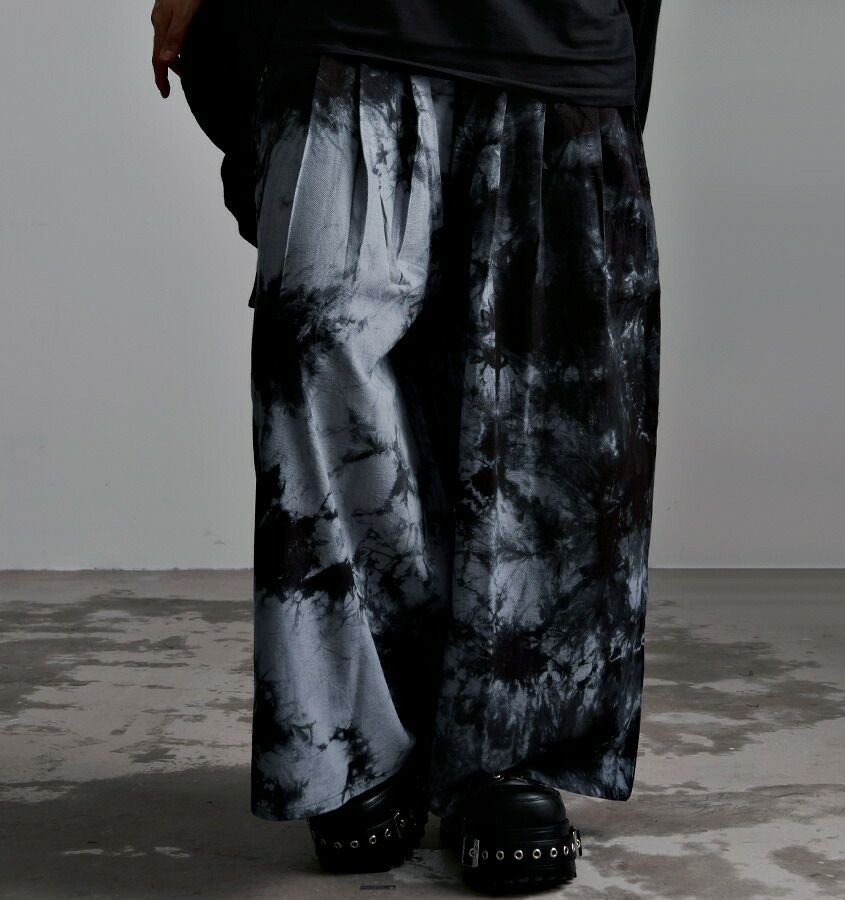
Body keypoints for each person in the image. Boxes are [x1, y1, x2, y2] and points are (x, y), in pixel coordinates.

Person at [152, 0, 662, 891]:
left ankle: (502, 749)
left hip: (553, 36)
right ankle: (360, 740)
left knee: (537, 413)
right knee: (319, 354)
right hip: (347, 21)